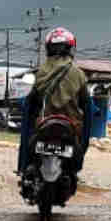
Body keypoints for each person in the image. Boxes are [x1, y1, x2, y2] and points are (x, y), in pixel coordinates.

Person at [17, 26, 91, 176]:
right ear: (71, 48)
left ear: (48, 48)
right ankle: (77, 166)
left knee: (26, 129)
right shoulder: (78, 74)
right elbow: (86, 105)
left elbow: (32, 102)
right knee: (87, 127)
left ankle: (23, 167)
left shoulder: (41, 71)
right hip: (71, 127)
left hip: (44, 124)